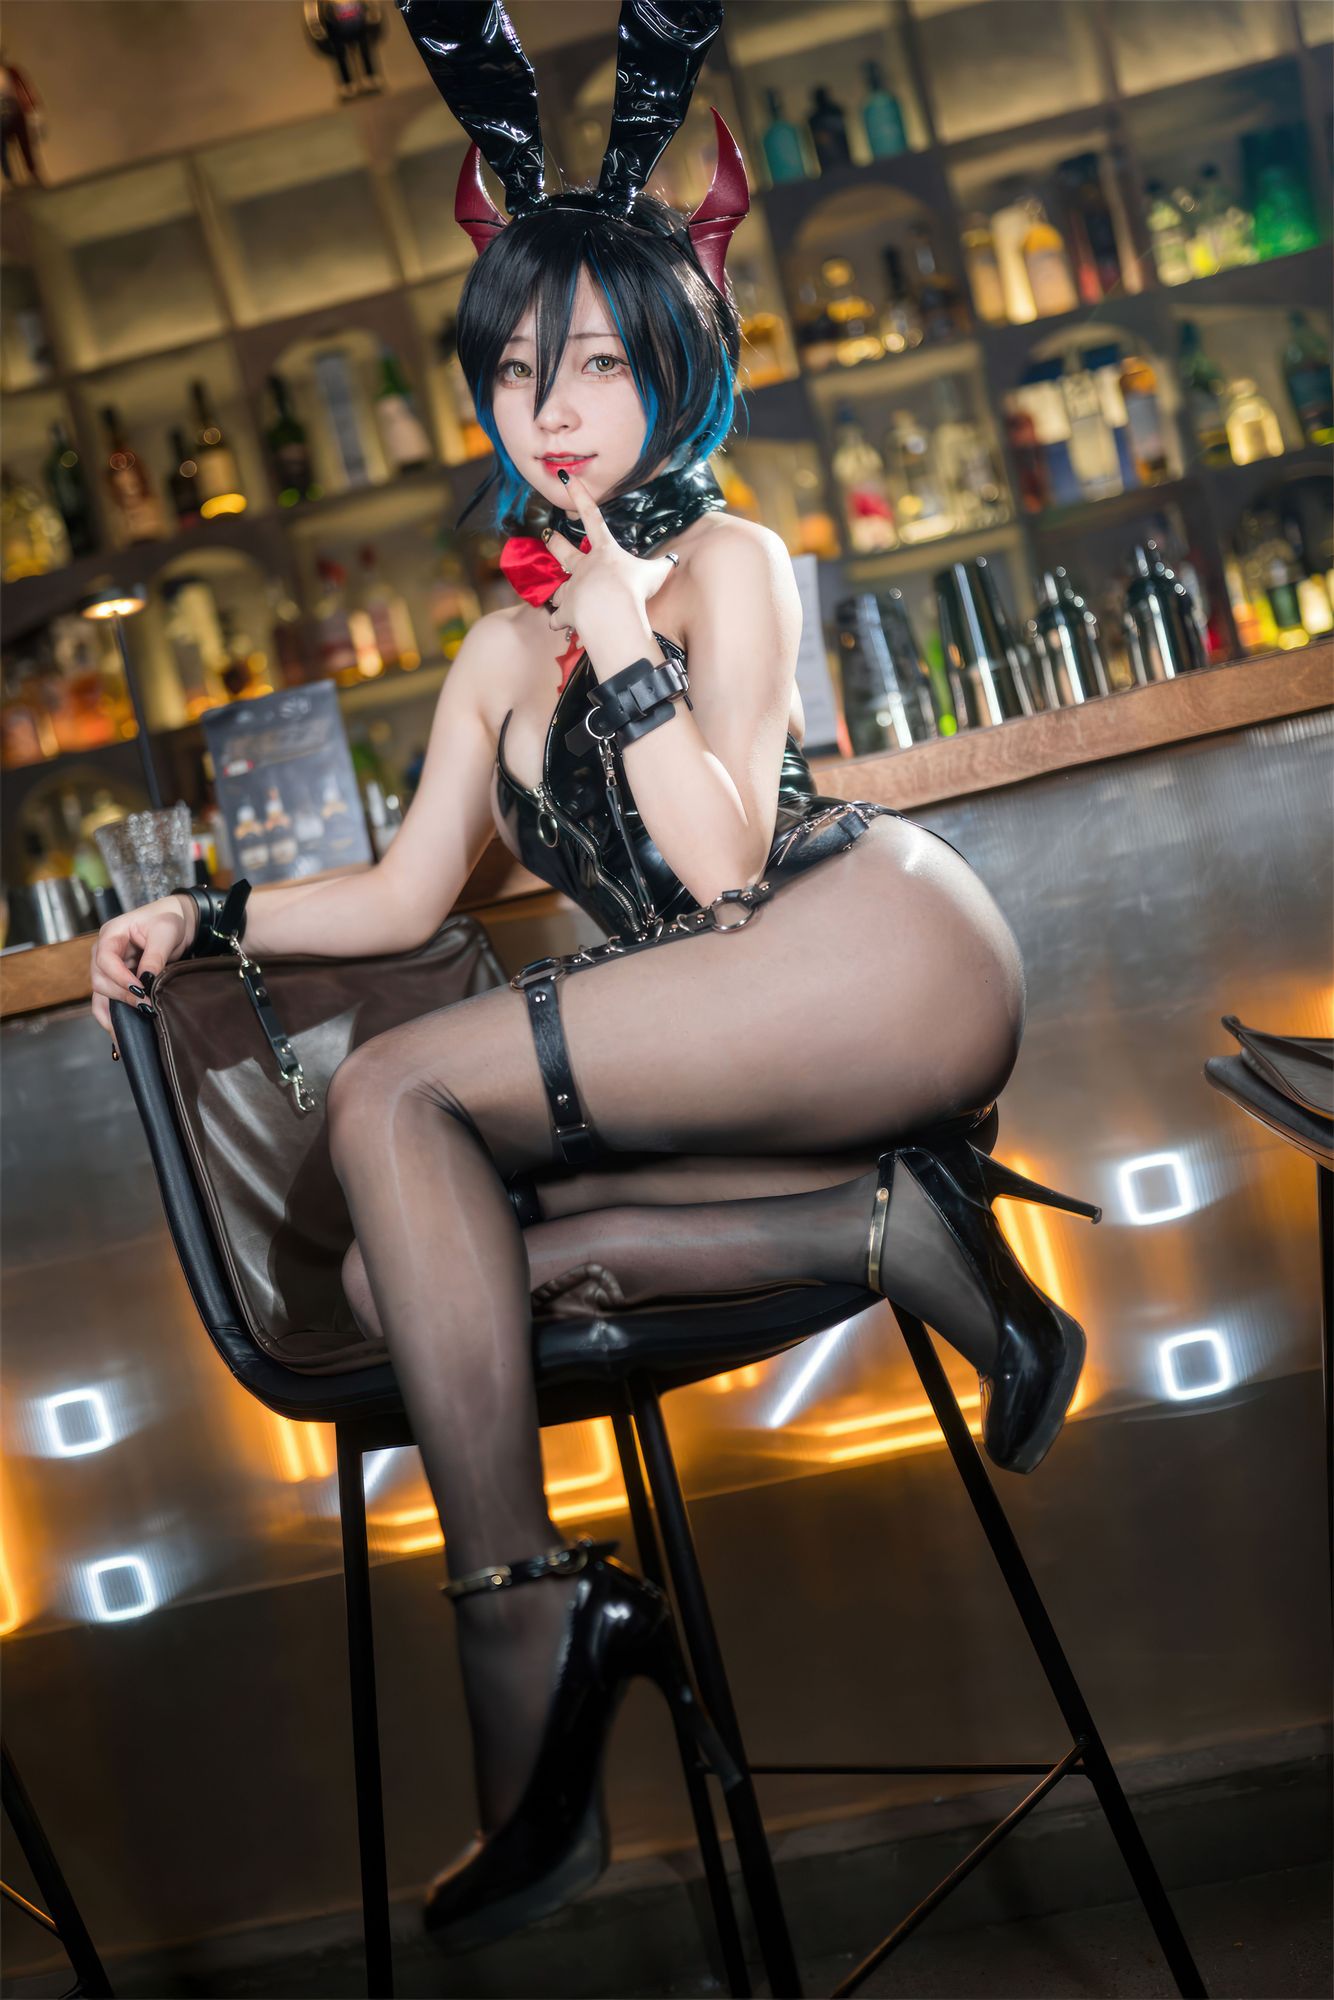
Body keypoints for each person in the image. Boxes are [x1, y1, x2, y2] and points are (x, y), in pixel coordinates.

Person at [88, 0, 1100, 1957]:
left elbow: (720, 866)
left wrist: (625, 626)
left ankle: (525, 1623)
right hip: (732, 1036)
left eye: (601, 365)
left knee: (392, 1099)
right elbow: (403, 897)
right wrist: (207, 918)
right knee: (394, 1283)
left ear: (674, 368)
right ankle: (887, 1225)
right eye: (516, 369)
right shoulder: (493, 654)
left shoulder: (732, 565)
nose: (551, 410)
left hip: (867, 951)